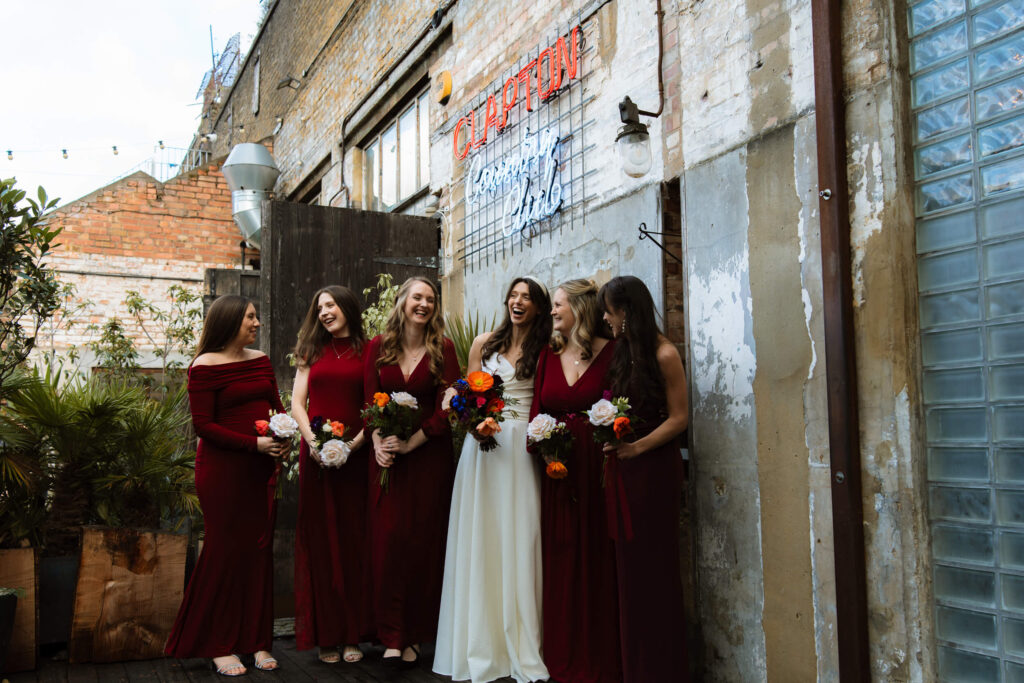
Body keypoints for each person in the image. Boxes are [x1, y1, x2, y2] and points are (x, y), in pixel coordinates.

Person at [434, 277, 553, 683]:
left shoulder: (544, 349)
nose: (518, 302)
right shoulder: (484, 344)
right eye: (514, 295)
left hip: (520, 447)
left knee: (519, 534)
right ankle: (479, 640)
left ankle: (518, 641)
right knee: (481, 535)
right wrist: (471, 422)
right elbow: (467, 394)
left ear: (538, 307)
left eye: (528, 298)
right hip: (481, 448)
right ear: (507, 301)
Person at [165, 295, 288, 676]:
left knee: (257, 551)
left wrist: (283, 436)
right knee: (223, 551)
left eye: (256, 316)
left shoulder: (261, 360)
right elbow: (203, 426)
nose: (257, 323)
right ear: (231, 320)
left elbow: (276, 407)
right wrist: (255, 444)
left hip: (260, 469)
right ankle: (218, 644)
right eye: (251, 317)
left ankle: (256, 641)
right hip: (222, 470)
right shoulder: (203, 366)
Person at [363, 276, 460, 669]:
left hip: (428, 459)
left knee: (422, 544)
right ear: (403, 301)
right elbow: (368, 399)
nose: (424, 304)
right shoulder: (378, 347)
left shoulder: (444, 349)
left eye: (430, 300)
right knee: (388, 545)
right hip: (387, 458)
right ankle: (389, 634)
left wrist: (413, 441)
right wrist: (377, 442)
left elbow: (448, 406)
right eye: (417, 297)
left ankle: (415, 636)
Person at [599, 275, 690, 682]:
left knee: (656, 572)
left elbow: (680, 418)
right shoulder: (620, 353)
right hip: (624, 470)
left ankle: (662, 670)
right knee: (629, 574)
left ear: (627, 311)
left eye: (609, 310)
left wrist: (636, 448)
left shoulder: (665, 353)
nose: (605, 317)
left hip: (653, 471)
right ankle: (633, 668)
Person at [530, 278, 621, 683]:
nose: (552, 312)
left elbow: (625, 409)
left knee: (598, 557)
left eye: (558, 305)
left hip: (600, 469)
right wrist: (543, 446)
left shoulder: (613, 353)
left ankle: (600, 657)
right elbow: (536, 411)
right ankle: (562, 655)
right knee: (562, 557)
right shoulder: (548, 356)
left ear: (580, 309)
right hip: (558, 471)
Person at [290, 286, 373, 664]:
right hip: (317, 459)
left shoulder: (369, 349)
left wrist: (352, 446)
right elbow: (297, 403)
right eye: (319, 306)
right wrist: (313, 443)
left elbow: (375, 405)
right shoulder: (311, 350)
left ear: (347, 307)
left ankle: (352, 633)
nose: (324, 312)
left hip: (357, 459)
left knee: (355, 542)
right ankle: (326, 636)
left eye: (331, 304)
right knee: (321, 544)